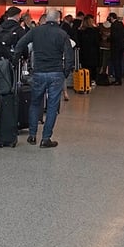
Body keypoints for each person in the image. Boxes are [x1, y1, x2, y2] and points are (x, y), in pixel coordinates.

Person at [14, 9, 74, 148]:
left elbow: (20, 44)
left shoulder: (36, 31)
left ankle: (32, 135)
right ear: (58, 19)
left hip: (39, 72)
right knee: (52, 106)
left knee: (35, 103)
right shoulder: (62, 34)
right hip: (56, 72)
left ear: (46, 19)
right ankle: (46, 138)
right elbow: (69, 56)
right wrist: (64, 73)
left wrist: (16, 58)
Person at [78, 14, 101, 82]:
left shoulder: (80, 31)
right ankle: (93, 80)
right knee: (93, 68)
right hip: (93, 53)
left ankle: (85, 81)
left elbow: (79, 42)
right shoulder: (95, 31)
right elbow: (97, 42)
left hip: (84, 53)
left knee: (85, 67)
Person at [107, 12, 124, 86]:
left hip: (115, 47)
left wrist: (108, 38)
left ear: (111, 17)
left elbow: (114, 37)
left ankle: (118, 79)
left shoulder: (114, 25)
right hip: (121, 47)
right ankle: (119, 78)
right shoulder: (120, 24)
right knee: (119, 62)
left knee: (116, 63)